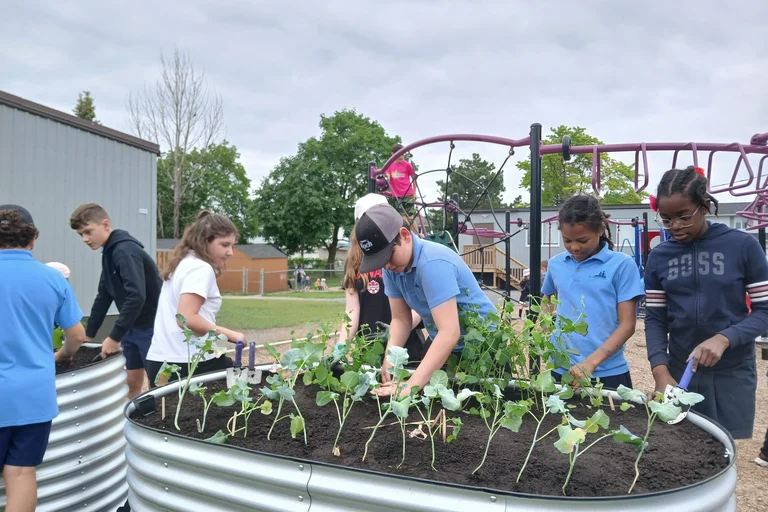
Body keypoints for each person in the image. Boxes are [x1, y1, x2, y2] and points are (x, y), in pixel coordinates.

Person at [644, 165, 768, 441]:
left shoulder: (742, 246)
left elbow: (764, 311)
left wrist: (725, 338)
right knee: (680, 451)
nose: (675, 226)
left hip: (732, 371)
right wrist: (660, 371)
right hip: (680, 371)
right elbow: (654, 319)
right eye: (666, 219)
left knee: (721, 450)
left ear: (704, 206)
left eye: (683, 217)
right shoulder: (659, 257)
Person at [355, 203, 496, 397]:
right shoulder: (392, 268)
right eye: (380, 260)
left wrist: (410, 386)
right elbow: (400, 319)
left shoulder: (432, 263)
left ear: (404, 235)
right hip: (445, 343)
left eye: (388, 255)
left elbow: (449, 332)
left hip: (482, 347)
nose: (386, 265)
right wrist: (391, 358)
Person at [1, 205, 86, 512]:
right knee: (22, 473)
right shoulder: (52, 279)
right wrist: (61, 355)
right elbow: (76, 336)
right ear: (32, 239)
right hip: (34, 396)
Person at [542, 195, 645, 389]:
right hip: (561, 369)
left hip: (607, 372)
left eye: (582, 240)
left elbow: (628, 325)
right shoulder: (556, 264)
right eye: (567, 241)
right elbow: (547, 297)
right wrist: (545, 324)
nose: (574, 247)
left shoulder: (621, 265)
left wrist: (591, 363)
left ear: (600, 229)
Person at [69, 203, 162, 399]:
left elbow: (136, 296)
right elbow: (104, 295)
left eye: (88, 231)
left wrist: (114, 337)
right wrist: (89, 333)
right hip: (132, 327)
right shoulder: (109, 252)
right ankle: (128, 424)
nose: (85, 239)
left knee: (160, 386)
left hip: (152, 328)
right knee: (131, 383)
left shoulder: (124, 251)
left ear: (106, 224)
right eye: (81, 235)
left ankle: (158, 425)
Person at [145, 211, 242, 386]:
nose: (230, 252)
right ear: (205, 242)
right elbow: (186, 318)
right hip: (187, 363)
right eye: (225, 245)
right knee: (247, 389)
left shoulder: (184, 263)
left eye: (232, 246)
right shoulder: (200, 269)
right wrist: (231, 335)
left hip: (161, 361)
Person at [340, 194, 429, 364]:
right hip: (369, 349)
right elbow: (351, 311)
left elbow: (420, 305)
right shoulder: (353, 263)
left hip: (407, 348)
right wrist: (341, 347)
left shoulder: (404, 255)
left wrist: (394, 333)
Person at [385, 143, 418, 215]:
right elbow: (387, 177)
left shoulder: (407, 165)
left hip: (408, 194)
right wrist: (386, 179)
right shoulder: (389, 165)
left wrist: (415, 192)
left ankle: (414, 226)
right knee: (401, 217)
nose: (401, 157)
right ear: (393, 154)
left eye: (403, 154)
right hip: (397, 196)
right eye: (399, 155)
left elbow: (413, 179)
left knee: (410, 217)